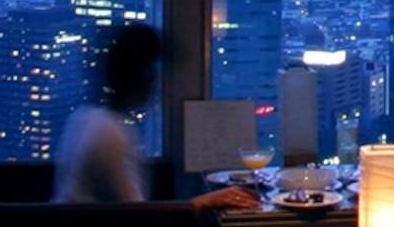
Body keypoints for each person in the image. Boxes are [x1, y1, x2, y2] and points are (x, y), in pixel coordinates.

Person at [55, 23, 260, 210]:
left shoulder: (86, 118)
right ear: (142, 77)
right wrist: (210, 200)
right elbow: (142, 219)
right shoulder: (110, 133)